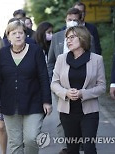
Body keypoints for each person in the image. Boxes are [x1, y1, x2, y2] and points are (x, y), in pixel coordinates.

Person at [0, 19, 52, 154]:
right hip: (9, 105)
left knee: (31, 138)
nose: (18, 36)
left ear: (25, 35)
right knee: (15, 143)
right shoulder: (3, 53)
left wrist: (47, 101)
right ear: (8, 37)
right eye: (14, 33)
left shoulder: (36, 51)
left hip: (33, 103)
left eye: (20, 33)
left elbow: (43, 77)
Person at [51, 26, 106, 154]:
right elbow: (54, 83)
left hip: (89, 112)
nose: (68, 41)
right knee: (72, 149)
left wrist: (83, 93)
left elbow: (102, 86)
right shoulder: (61, 59)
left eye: (72, 37)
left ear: (82, 38)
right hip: (67, 112)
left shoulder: (97, 59)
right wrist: (66, 93)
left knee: (89, 148)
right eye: (67, 38)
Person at [47, 7, 94, 154]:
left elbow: (94, 60)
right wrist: (53, 82)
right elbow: (50, 61)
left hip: (82, 84)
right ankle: (66, 146)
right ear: (65, 21)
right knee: (64, 117)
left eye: (75, 20)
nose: (72, 22)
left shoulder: (88, 38)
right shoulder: (57, 37)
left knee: (83, 116)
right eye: (69, 20)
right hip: (61, 85)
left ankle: (82, 143)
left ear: (81, 21)